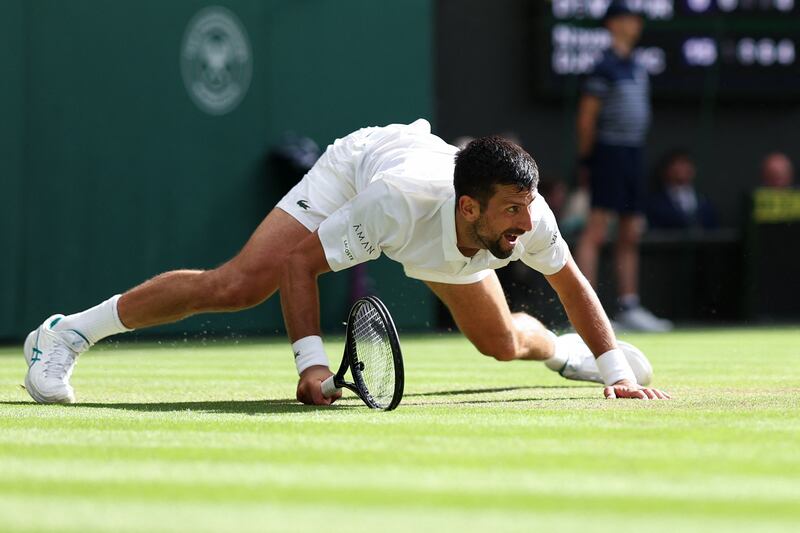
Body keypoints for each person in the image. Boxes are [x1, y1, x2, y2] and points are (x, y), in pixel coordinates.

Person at [23, 119, 670, 406]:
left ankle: (567, 356)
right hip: (360, 171)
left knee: (501, 341)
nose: (525, 226)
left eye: (526, 212)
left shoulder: (522, 214)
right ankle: (68, 332)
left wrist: (616, 369)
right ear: (473, 207)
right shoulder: (393, 202)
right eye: (512, 213)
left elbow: (571, 279)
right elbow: (297, 267)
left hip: (442, 223)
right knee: (239, 284)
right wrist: (310, 364)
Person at [574, 1, 672, 333]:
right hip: (608, 153)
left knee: (630, 230)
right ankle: (586, 309)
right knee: (597, 230)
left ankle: (629, 306)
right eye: (629, 18)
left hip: (633, 153)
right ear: (613, 24)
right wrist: (588, 158)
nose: (636, 24)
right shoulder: (603, 66)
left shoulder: (638, 67)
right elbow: (586, 118)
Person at [647, 149, 717, 231]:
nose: (683, 169)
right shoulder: (655, 204)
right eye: (678, 164)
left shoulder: (704, 202)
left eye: (686, 163)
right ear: (666, 169)